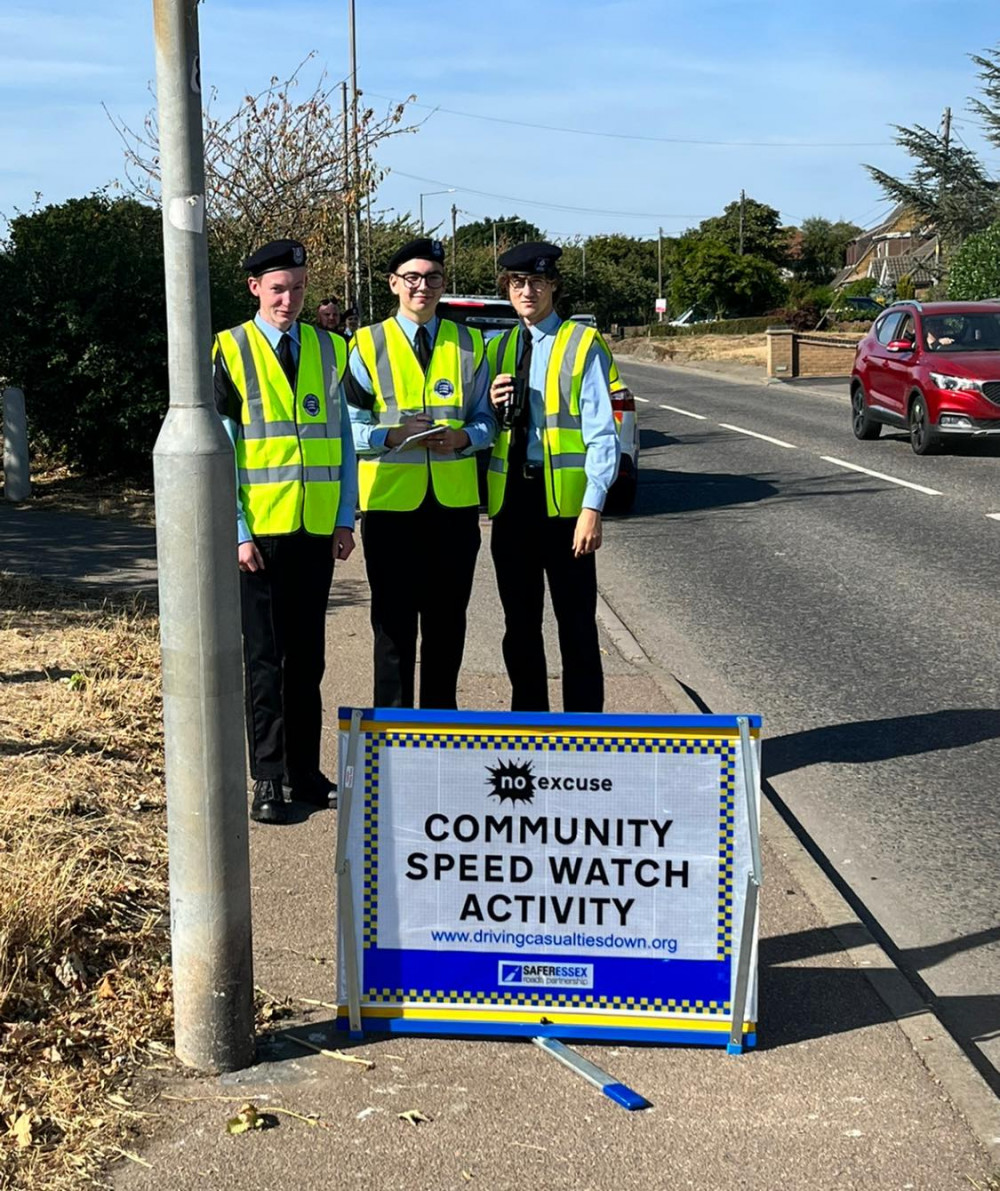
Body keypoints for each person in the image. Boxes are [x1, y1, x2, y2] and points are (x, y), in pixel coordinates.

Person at [214, 239, 357, 825]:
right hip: (262, 536)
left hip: (315, 527)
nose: (290, 300)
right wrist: (239, 531)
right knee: (267, 662)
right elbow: (222, 451)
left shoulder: (330, 348)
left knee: (309, 660)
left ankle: (305, 771)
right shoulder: (229, 349)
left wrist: (346, 517)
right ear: (255, 289)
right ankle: (268, 778)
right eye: (278, 289)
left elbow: (344, 441)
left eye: (298, 288)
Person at [346, 237, 495, 709]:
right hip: (390, 507)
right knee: (392, 629)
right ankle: (391, 739)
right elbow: (347, 427)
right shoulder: (366, 344)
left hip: (453, 508)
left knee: (448, 625)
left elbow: (488, 419)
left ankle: (437, 735)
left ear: (443, 284)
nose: (422, 287)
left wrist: (465, 438)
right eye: (411, 277)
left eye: (432, 278)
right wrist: (390, 437)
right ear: (393, 284)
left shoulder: (469, 342)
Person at [486, 242, 619, 713]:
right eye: (518, 283)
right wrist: (491, 404)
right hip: (512, 503)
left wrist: (592, 508)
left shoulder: (583, 345)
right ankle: (530, 726)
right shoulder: (498, 347)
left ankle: (582, 735)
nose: (527, 291)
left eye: (537, 282)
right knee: (519, 625)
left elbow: (604, 434)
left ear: (554, 287)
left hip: (564, 506)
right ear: (507, 287)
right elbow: (485, 430)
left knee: (577, 625)